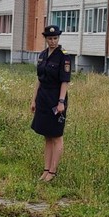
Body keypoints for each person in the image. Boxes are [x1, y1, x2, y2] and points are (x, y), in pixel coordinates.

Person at [30, 25, 71, 182]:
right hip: (43, 98)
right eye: (50, 38)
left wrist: (61, 102)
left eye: (55, 38)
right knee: (46, 135)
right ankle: (46, 169)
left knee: (56, 136)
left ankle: (53, 172)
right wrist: (33, 100)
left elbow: (64, 82)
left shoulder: (64, 57)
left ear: (58, 39)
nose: (53, 41)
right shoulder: (42, 55)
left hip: (56, 99)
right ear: (46, 39)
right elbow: (39, 79)